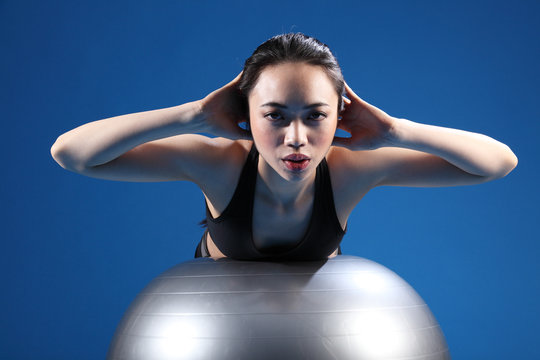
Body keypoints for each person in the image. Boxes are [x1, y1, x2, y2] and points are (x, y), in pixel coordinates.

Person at [50, 33, 517, 261]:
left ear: (339, 115)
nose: (296, 138)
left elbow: (497, 164)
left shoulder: (352, 169)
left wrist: (397, 131)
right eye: (274, 115)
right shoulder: (219, 164)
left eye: (316, 115)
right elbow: (72, 153)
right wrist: (191, 115)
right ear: (246, 115)